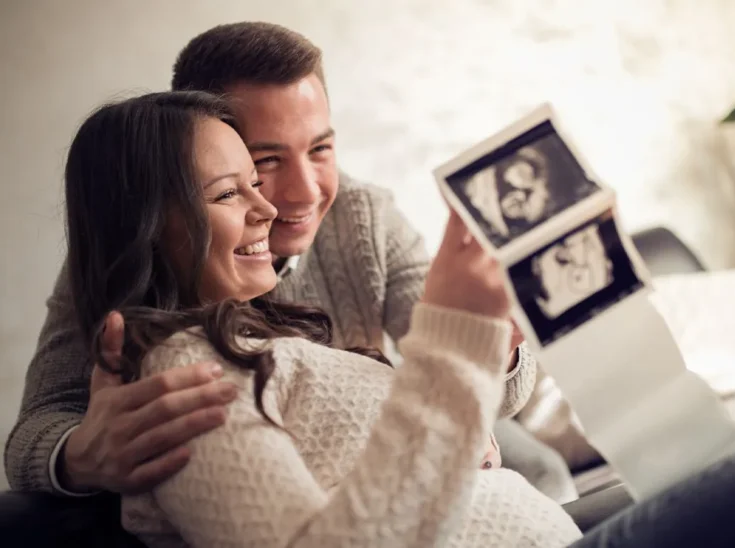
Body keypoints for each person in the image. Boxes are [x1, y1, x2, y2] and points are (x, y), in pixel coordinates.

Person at [61, 89, 735, 548]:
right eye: (231, 190)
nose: (272, 207)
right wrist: (452, 347)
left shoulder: (279, 318)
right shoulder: (177, 375)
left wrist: (496, 341)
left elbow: (455, 425)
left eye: (261, 179)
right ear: (152, 225)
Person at [5, 21, 570, 501]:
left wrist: (498, 342)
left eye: (320, 149)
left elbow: (488, 386)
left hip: (391, 426)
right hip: (329, 477)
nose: (302, 194)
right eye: (263, 161)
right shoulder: (134, 262)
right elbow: (37, 431)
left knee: (537, 465)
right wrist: (79, 456)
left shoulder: (362, 216)